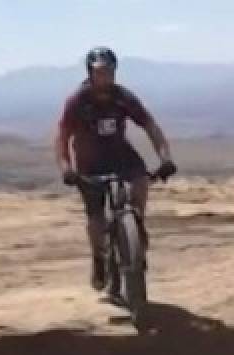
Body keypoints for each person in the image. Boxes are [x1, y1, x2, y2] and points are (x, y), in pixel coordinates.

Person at [55, 46, 177, 294]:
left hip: (119, 154)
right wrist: (66, 168)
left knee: (140, 180)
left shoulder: (123, 97)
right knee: (96, 216)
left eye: (109, 72)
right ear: (90, 73)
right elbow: (62, 137)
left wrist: (165, 158)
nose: (105, 77)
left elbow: (150, 126)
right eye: (100, 72)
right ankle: (99, 259)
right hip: (90, 160)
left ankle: (135, 225)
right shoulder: (78, 101)